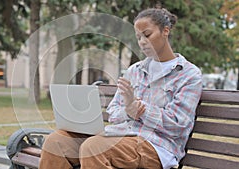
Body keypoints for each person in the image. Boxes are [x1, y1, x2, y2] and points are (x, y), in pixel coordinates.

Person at [39, 8, 202, 169]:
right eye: (138, 37)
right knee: (56, 142)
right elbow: (113, 112)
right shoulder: (134, 70)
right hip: (119, 136)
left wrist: (141, 110)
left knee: (94, 147)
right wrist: (128, 111)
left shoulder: (188, 74)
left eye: (147, 35)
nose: (142, 42)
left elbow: (178, 125)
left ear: (165, 31)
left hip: (157, 146)